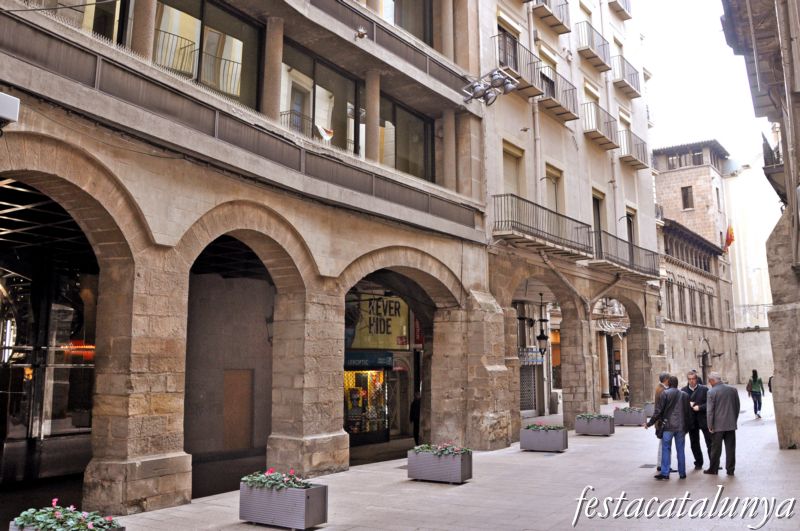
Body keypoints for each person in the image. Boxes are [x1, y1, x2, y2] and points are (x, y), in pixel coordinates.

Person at [646, 375, 690, 480]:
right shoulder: (685, 395)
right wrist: (687, 427)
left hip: (668, 427)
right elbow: (688, 413)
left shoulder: (665, 393)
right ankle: (682, 473)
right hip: (680, 427)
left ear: (669, 383)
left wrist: (650, 423)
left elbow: (658, 411)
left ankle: (665, 473)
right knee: (680, 450)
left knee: (666, 449)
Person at [705, 372, 740, 476]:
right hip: (730, 424)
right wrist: (734, 419)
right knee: (730, 448)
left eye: (709, 381)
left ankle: (713, 469)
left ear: (712, 381)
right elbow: (737, 406)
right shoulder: (733, 390)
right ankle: (730, 469)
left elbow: (710, 411)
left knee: (716, 449)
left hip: (717, 426)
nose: (709, 383)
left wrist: (709, 425)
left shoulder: (711, 392)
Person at [681, 371, 711, 470]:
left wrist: (700, 407)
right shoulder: (683, 391)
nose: (691, 381)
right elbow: (681, 407)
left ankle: (714, 462)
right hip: (691, 421)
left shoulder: (704, 389)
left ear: (696, 379)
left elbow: (710, 404)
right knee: (694, 443)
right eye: (689, 379)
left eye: (693, 379)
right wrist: (687, 406)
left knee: (709, 442)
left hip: (703, 420)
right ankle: (698, 462)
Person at [652, 372, 672, 472]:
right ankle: (663, 464)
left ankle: (661, 463)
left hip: (660, 420)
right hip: (662, 421)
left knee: (663, 443)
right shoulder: (662, 390)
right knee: (665, 444)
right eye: (669, 379)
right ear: (666, 380)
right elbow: (662, 408)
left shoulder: (660, 388)